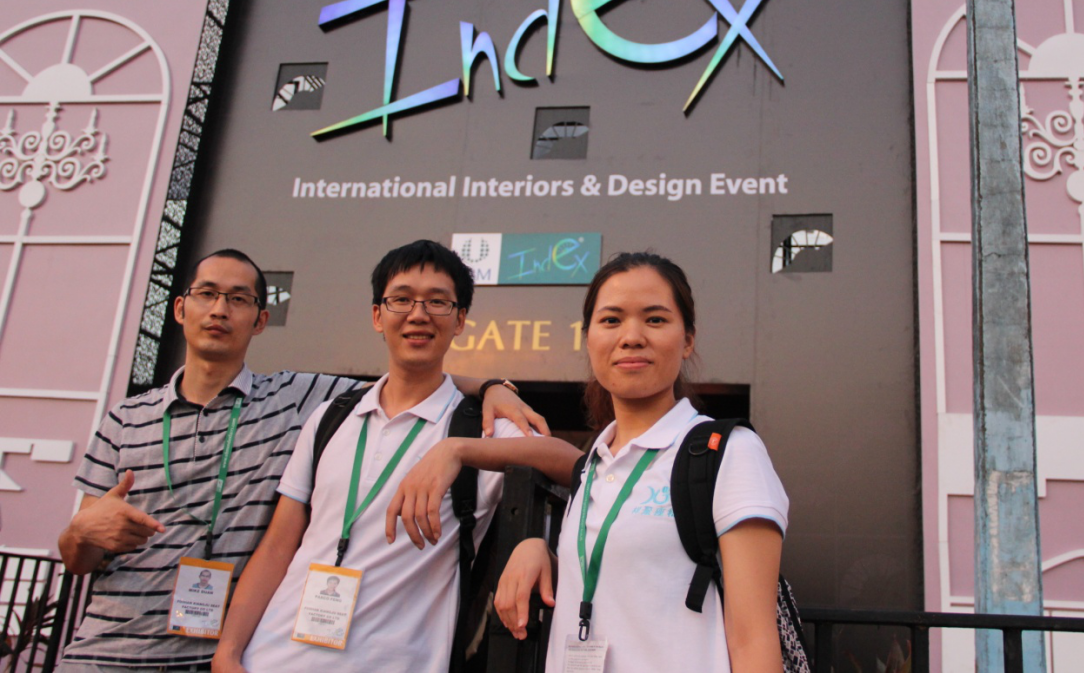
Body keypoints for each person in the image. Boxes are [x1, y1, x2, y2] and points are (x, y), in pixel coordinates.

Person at [56, 248, 544, 672]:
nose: (220, 310)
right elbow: (78, 559)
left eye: (239, 299)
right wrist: (79, 534)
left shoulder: (299, 398)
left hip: (227, 655)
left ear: (261, 319)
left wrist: (491, 390)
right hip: (114, 652)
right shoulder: (124, 418)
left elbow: (414, 379)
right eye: (207, 294)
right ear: (180, 308)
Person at [211, 240, 579, 673]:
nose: (418, 314)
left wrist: (457, 450)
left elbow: (575, 464)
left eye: (438, 302)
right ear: (377, 315)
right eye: (401, 299)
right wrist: (228, 651)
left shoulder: (479, 428)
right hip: (271, 658)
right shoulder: (331, 417)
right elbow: (278, 547)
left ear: (460, 320)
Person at [494, 252, 789, 673]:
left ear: (688, 340)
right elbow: (619, 583)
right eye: (611, 320)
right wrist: (538, 551)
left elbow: (752, 640)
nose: (631, 337)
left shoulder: (729, 453)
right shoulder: (593, 466)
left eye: (654, 319)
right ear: (589, 338)